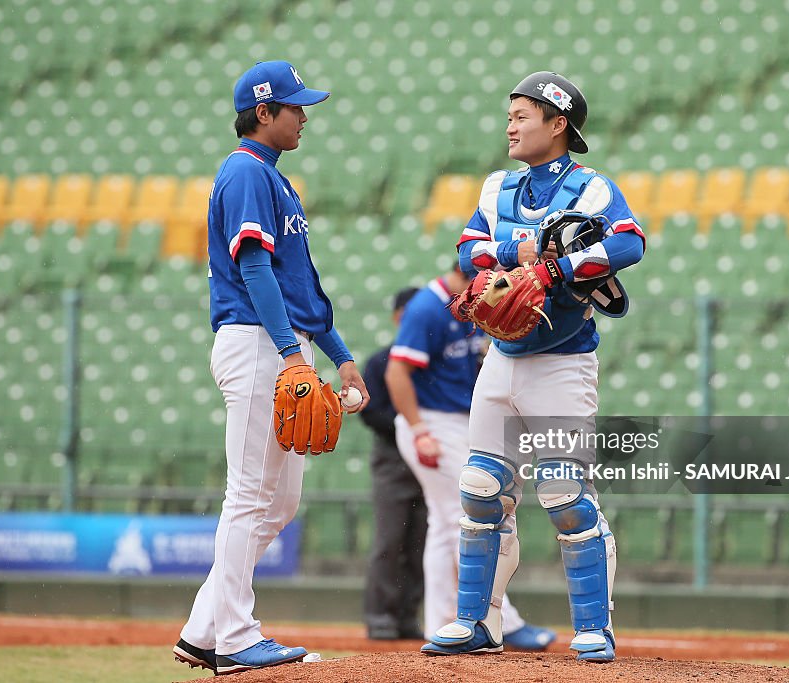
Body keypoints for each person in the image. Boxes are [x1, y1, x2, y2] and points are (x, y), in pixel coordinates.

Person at [420, 72, 645, 661]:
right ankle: (477, 622)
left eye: (522, 114)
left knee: (565, 490)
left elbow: (627, 242)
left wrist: (552, 271)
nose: (511, 125)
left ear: (558, 123)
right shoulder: (498, 188)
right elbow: (469, 250)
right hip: (502, 359)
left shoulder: (592, 188)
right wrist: (523, 253)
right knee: (480, 489)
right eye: (510, 114)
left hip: (563, 363)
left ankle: (595, 627)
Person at [172, 60, 369, 676]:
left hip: (281, 338)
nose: (304, 116)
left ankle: (205, 628)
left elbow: (300, 286)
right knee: (250, 496)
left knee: (278, 502)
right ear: (264, 112)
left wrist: (342, 359)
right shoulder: (245, 172)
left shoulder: (276, 181)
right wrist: (291, 354)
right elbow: (255, 269)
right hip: (259, 342)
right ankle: (233, 636)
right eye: (295, 107)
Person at [385, 264, 556, 651]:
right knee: (468, 516)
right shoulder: (429, 306)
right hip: (432, 422)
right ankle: (502, 620)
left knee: (446, 524)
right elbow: (397, 373)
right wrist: (419, 431)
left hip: (460, 419)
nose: (495, 289)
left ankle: (442, 621)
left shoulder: (468, 303)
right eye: (490, 280)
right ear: (471, 276)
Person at [360, 286, 427, 641]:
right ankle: (380, 615)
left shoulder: (433, 358)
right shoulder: (382, 360)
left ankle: (407, 616)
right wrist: (408, 428)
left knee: (421, 542)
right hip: (392, 458)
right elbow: (370, 411)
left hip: (430, 459)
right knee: (389, 541)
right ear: (397, 316)